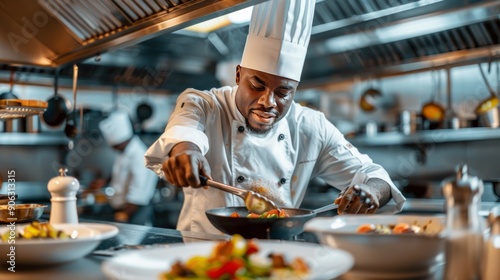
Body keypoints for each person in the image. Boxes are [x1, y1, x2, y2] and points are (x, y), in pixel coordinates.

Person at [145, 0, 406, 234]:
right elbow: (185, 127)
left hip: (279, 258)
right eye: (257, 86)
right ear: (238, 75)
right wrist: (185, 150)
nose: (268, 102)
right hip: (204, 255)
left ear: (295, 90)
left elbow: (374, 174)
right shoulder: (206, 104)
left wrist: (371, 191)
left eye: (283, 92)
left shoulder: (310, 126)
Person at [93, 110, 158, 225]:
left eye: (115, 146)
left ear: (123, 141)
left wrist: (124, 214)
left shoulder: (139, 156)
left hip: (134, 212)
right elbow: (120, 171)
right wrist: (105, 181)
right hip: (120, 207)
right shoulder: (123, 152)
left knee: (134, 242)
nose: (113, 149)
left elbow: (138, 193)